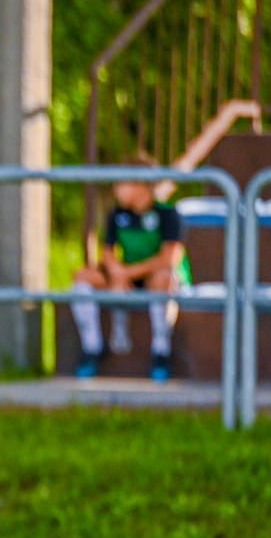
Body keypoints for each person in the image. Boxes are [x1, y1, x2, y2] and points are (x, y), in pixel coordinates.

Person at [70, 155, 190, 382]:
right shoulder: (117, 215)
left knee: (163, 279)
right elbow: (107, 252)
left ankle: (160, 351)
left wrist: (128, 273)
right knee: (83, 277)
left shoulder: (167, 214)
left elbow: (169, 258)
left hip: (159, 278)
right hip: (127, 277)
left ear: (142, 185)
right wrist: (116, 273)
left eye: (122, 183)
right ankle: (92, 347)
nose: (116, 188)